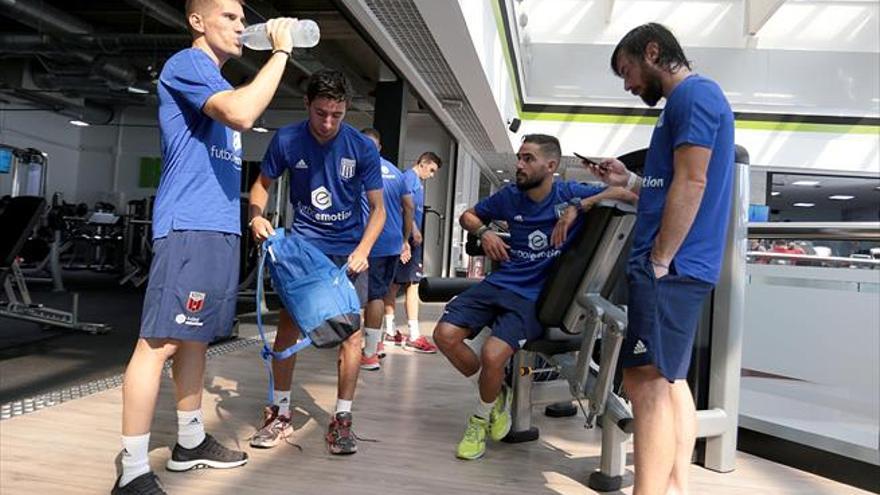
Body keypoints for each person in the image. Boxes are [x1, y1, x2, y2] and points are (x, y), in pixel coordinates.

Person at [114, 2, 296, 493]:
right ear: (197, 21)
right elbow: (240, 113)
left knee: (194, 338)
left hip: (218, 228)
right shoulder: (189, 63)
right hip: (189, 226)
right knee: (157, 344)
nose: (241, 26)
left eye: (243, 19)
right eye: (230, 17)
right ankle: (131, 470)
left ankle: (190, 442)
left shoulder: (215, 80)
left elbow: (232, 107)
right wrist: (280, 53)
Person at [585, 22, 735, 495]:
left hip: (672, 267)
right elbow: (669, 187)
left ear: (653, 51)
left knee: (644, 382)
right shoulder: (683, 105)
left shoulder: (694, 96)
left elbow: (693, 183)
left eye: (628, 71)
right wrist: (628, 179)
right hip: (675, 265)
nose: (628, 84)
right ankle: (676, 487)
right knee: (670, 382)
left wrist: (660, 260)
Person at [433, 134, 634, 460]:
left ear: (551, 166)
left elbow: (629, 194)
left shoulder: (567, 193)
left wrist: (578, 207)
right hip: (500, 281)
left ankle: (479, 419)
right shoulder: (509, 196)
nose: (519, 165)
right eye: (519, 158)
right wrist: (484, 233)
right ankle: (496, 396)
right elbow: (467, 216)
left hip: (531, 295)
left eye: (528, 159)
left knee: (493, 356)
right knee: (443, 335)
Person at [247, 69, 386, 455]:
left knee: (352, 335)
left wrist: (364, 250)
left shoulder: (361, 148)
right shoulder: (288, 139)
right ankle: (281, 413)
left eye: (336, 115)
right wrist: (256, 215)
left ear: (346, 111)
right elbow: (261, 185)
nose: (327, 123)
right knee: (289, 330)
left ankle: (342, 420)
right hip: (304, 249)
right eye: (321, 112)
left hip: (348, 253)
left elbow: (378, 211)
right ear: (307, 104)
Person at [358, 128, 415, 371]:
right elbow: (409, 208)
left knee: (370, 298)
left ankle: (369, 353)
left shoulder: (358, 171)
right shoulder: (396, 172)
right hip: (391, 244)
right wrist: (404, 239)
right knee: (379, 296)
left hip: (370, 244)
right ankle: (376, 344)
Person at [382, 152, 443, 353]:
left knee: (394, 285)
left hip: (404, 238)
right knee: (412, 285)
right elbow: (403, 207)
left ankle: (390, 331)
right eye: (431, 170)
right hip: (406, 238)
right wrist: (413, 232)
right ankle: (414, 335)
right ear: (422, 163)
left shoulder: (414, 180)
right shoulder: (409, 178)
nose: (432, 175)